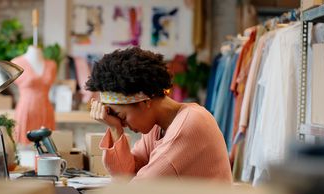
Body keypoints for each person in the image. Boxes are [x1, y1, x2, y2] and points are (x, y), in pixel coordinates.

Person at [86, 47, 232, 182]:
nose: (123, 124)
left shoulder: (190, 123)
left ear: (145, 102)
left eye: (122, 117)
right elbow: (126, 175)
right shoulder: (157, 127)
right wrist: (114, 128)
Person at [11, 46, 57, 144]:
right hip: (26, 110)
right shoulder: (16, 63)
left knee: (47, 148)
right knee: (23, 150)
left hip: (46, 110)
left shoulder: (51, 65)